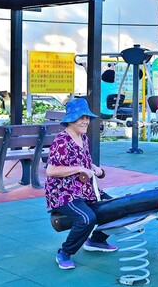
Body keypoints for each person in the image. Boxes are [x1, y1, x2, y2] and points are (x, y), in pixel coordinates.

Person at [45, 98, 117, 270]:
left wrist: (94, 168)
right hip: (63, 193)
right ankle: (64, 252)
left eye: (87, 117)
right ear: (71, 119)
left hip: (85, 190)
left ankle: (96, 240)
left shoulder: (83, 138)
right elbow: (51, 170)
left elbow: (83, 163)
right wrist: (78, 169)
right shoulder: (62, 140)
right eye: (81, 117)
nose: (85, 121)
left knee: (116, 207)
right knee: (87, 218)